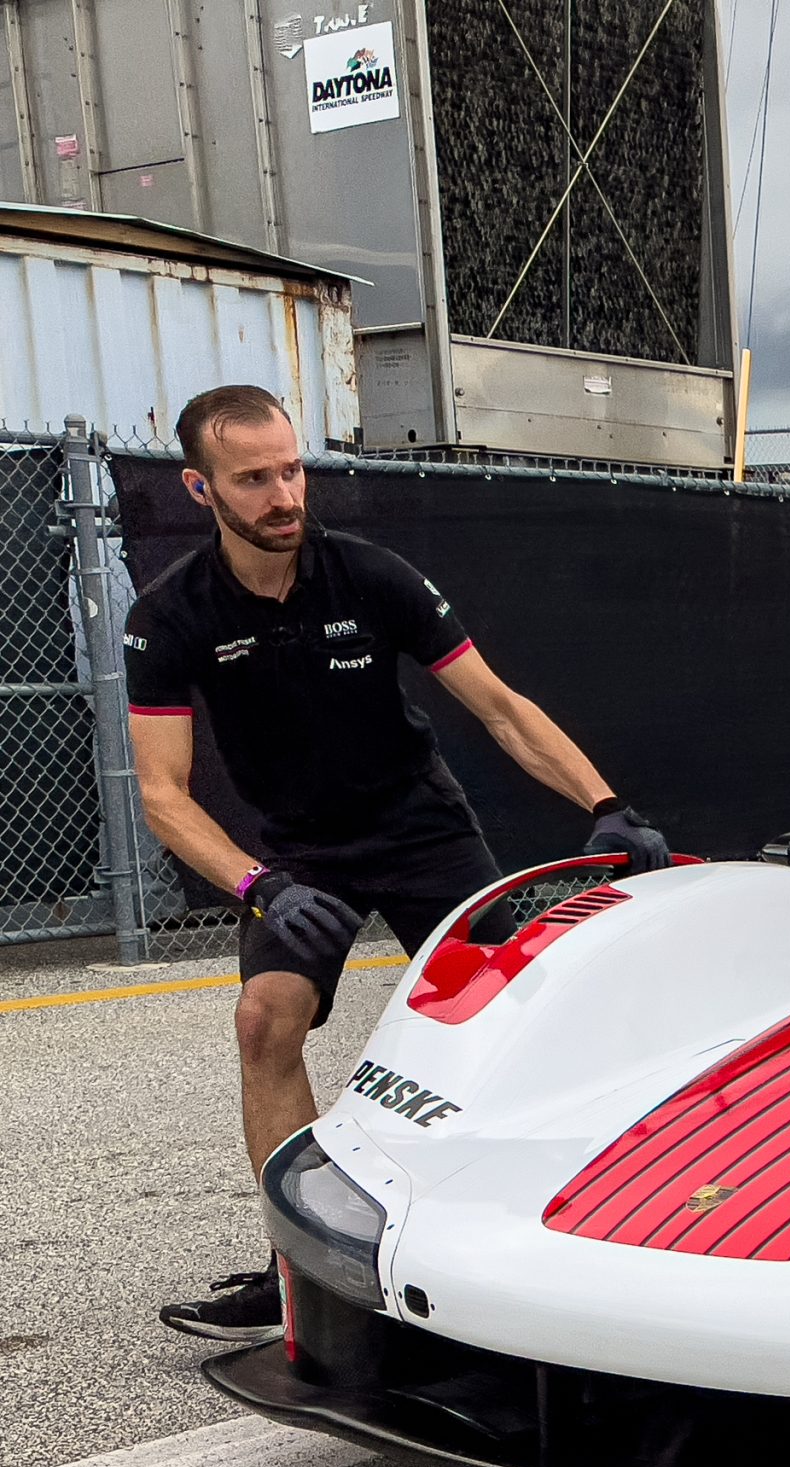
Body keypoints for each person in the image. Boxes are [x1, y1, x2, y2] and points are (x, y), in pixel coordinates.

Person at [126, 384, 669, 1341]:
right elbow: (163, 793)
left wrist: (607, 803)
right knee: (263, 1021)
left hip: (422, 829)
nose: (284, 494)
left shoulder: (374, 577)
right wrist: (261, 884)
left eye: (291, 469)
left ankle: (541, 1238)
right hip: (298, 855)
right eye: (253, 479)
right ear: (200, 490)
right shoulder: (170, 615)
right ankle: (297, 1269)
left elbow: (499, 708)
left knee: (513, 1021)